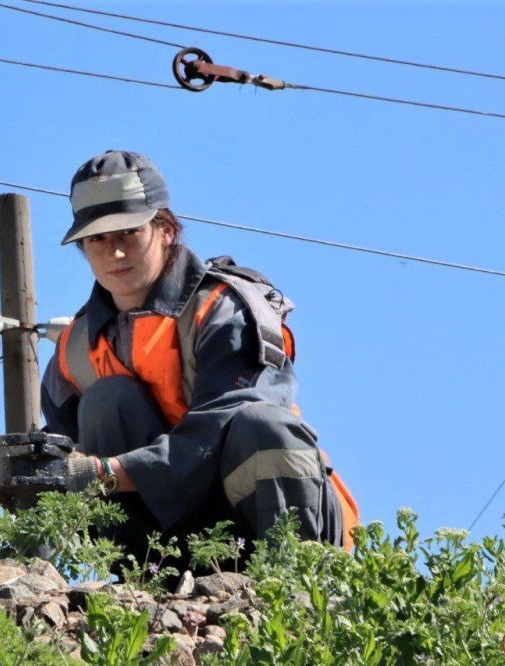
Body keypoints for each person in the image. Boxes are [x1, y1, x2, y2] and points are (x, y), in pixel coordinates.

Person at [41, 150, 359, 567]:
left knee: (262, 423)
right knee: (105, 402)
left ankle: (296, 586)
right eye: (97, 239)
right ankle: (148, 585)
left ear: (167, 229)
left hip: (265, 515)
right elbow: (56, 474)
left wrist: (102, 473)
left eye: (128, 233)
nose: (114, 253)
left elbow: (218, 432)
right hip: (171, 545)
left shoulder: (224, 309)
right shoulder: (74, 350)